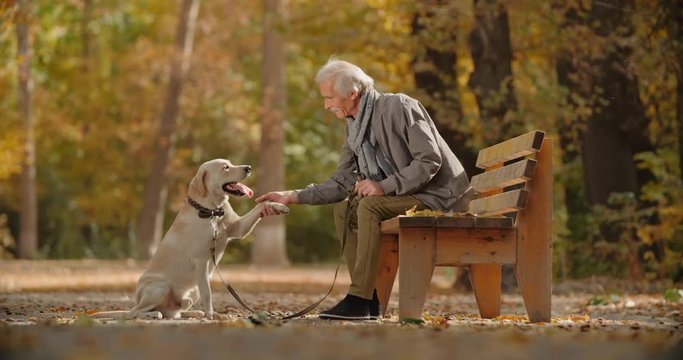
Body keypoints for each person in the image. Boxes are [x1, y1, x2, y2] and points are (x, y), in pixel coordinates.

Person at [256, 59, 472, 320]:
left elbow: (429, 160)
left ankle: (359, 297)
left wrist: (382, 186)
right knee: (344, 209)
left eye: (330, 98)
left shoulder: (399, 106)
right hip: (408, 196)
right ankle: (369, 301)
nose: (326, 105)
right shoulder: (353, 129)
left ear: (353, 94)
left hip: (442, 196)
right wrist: (292, 196)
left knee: (369, 205)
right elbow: (340, 184)